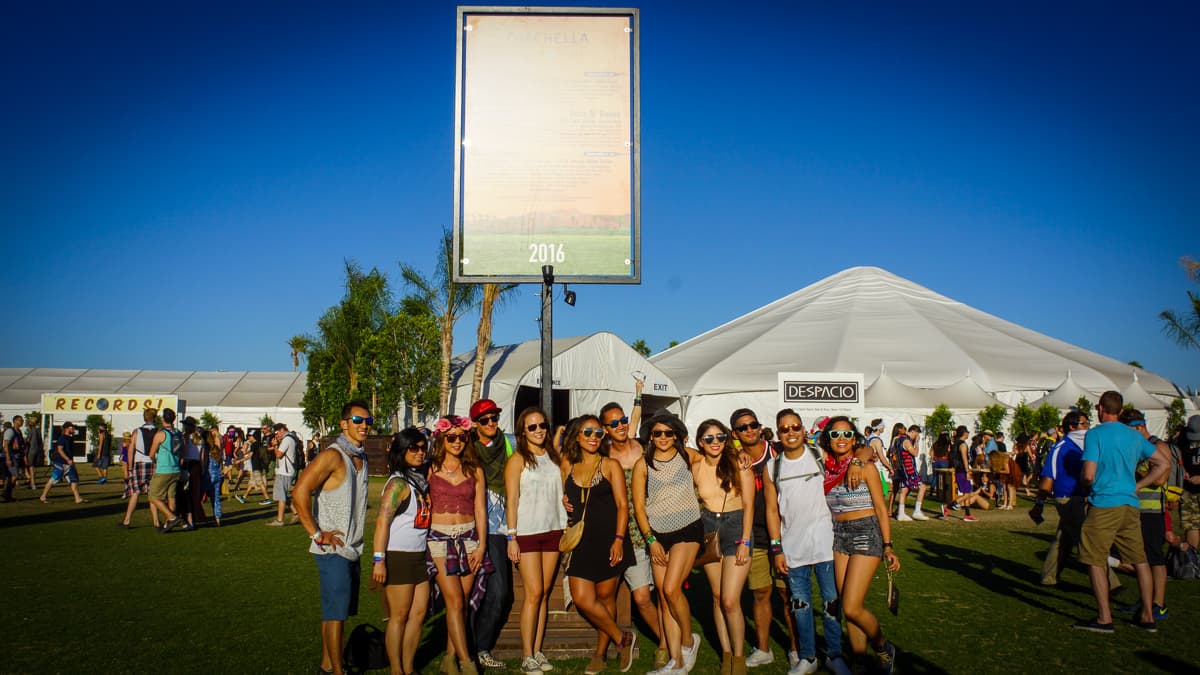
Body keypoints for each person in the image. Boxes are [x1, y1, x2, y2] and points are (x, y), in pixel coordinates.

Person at [1072, 391, 1170, 633]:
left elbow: (1088, 474)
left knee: (1094, 559)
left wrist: (1086, 486)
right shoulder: (1133, 435)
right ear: (1122, 411)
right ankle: (1148, 615)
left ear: (1100, 408)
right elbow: (1164, 463)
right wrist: (1138, 485)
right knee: (1140, 559)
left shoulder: (1095, 434)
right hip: (1129, 504)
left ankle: (1105, 618)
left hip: (1105, 502)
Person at [764, 410, 851, 675]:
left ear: (803, 430)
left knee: (830, 603)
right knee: (800, 605)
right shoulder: (772, 466)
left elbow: (855, 454)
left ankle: (835, 655)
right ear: (778, 434)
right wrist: (776, 548)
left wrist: (859, 462)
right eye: (784, 429)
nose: (790, 432)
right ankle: (808, 657)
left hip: (825, 543)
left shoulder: (819, 455)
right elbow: (771, 510)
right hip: (792, 548)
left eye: (794, 427)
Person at [294, 399, 372, 675]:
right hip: (332, 549)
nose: (364, 426)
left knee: (335, 612)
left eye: (368, 421)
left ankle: (327, 666)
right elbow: (300, 492)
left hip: (351, 546)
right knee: (336, 614)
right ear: (344, 424)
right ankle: (338, 671)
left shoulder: (361, 456)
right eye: (358, 421)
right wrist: (317, 534)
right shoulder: (333, 455)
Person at [820, 417, 898, 674]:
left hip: (866, 532)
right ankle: (859, 660)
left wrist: (888, 546)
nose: (840, 439)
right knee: (848, 605)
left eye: (846, 434)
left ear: (854, 439)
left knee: (852, 606)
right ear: (828, 439)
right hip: (839, 535)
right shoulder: (827, 469)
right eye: (834, 435)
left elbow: (880, 508)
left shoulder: (865, 467)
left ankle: (883, 646)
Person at [600, 389, 669, 670]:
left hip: (648, 531)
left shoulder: (644, 447)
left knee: (652, 595)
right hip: (616, 535)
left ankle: (667, 643)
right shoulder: (601, 453)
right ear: (605, 429)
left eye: (623, 420)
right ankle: (620, 641)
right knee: (619, 596)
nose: (620, 426)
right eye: (613, 423)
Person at [562, 415, 636, 675]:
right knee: (582, 598)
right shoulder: (568, 465)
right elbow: (567, 493)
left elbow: (622, 506)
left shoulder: (611, 465)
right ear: (576, 436)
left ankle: (601, 653)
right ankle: (622, 638)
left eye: (597, 433)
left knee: (606, 598)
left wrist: (618, 540)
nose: (593, 437)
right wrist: (564, 499)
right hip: (581, 541)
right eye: (587, 432)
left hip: (609, 539)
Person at [633, 411, 702, 675]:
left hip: (687, 529)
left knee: (672, 589)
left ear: (677, 435)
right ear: (651, 435)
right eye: (658, 433)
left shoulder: (688, 455)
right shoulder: (643, 463)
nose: (663, 438)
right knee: (663, 597)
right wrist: (650, 539)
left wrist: (738, 451)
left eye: (669, 433)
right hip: (658, 534)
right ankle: (677, 662)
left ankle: (688, 640)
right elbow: (639, 506)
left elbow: (717, 456)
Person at [729, 407, 796, 669]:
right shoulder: (733, 458)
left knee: (787, 594)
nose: (749, 430)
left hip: (785, 532)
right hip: (755, 534)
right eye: (743, 427)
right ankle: (764, 648)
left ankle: (795, 647)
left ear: (760, 427)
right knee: (760, 593)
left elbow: (859, 448)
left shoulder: (779, 450)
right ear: (735, 433)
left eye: (753, 425)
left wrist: (862, 457)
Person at [504, 407, 568, 675]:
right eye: (532, 427)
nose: (539, 430)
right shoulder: (518, 459)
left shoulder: (554, 457)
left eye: (542, 425)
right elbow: (513, 500)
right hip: (527, 534)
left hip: (554, 531)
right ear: (522, 431)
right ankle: (526, 655)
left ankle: (537, 650)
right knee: (532, 595)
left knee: (543, 593)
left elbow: (561, 492)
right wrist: (512, 537)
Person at [1029, 412, 1120, 590]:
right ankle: (1111, 583)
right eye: (1084, 424)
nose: (1087, 427)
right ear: (1072, 427)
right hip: (1067, 498)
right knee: (1087, 540)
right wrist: (1038, 504)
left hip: (1082, 497)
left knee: (1063, 539)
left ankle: (1049, 577)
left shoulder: (1086, 445)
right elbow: (1048, 477)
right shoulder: (1060, 447)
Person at [427, 414, 488, 675]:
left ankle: (449, 659)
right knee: (453, 601)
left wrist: (482, 545)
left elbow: (480, 510)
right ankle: (467, 662)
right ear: (442, 438)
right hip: (439, 539)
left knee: (461, 601)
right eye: (451, 437)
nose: (457, 441)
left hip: (469, 538)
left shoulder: (475, 471)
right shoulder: (430, 469)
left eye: (462, 437)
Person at [692, 419, 753, 675]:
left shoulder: (740, 463)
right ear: (699, 443)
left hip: (737, 526)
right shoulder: (695, 466)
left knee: (730, 600)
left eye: (720, 437)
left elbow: (749, 505)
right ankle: (726, 654)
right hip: (709, 527)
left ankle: (739, 659)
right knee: (716, 597)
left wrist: (746, 541)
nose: (715, 442)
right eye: (709, 438)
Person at [372, 429, 432, 675]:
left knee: (418, 615)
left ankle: (409, 667)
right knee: (398, 617)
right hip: (398, 556)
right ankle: (396, 669)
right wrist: (379, 560)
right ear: (401, 451)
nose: (420, 453)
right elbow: (382, 522)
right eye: (413, 448)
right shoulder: (398, 483)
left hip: (419, 556)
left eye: (422, 448)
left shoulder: (418, 480)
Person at [468, 398, 515, 671]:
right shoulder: (466, 447)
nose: (491, 423)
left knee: (498, 592)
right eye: (485, 420)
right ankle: (465, 650)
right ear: (475, 424)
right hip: (469, 527)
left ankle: (481, 646)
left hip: (499, 526)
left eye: (494, 417)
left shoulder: (509, 443)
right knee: (466, 593)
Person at [1119, 409, 1170, 620]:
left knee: (1155, 557)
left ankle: (1159, 603)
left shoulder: (1159, 446)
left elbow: (1160, 479)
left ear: (1140, 427)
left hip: (1152, 510)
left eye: (1128, 431)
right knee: (1140, 557)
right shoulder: (1137, 448)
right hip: (1134, 508)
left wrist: (1136, 472)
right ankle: (1145, 600)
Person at [119, 408, 159, 528]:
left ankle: (127, 520)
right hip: (153, 463)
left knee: (135, 493)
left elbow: (131, 450)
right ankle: (156, 521)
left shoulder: (137, 432)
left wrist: (130, 468)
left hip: (139, 463)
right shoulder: (158, 432)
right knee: (153, 494)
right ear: (155, 418)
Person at [146, 408, 184, 532]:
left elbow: (151, 453)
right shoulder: (178, 432)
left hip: (164, 469)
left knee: (153, 497)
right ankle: (169, 523)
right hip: (176, 469)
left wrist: (155, 461)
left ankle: (172, 518)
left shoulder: (161, 434)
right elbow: (182, 452)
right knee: (171, 497)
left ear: (163, 419)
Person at [39, 421, 88, 504]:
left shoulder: (70, 438)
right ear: (66, 429)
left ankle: (77, 498)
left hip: (69, 464)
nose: (73, 429)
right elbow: (60, 449)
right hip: (61, 463)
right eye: (71, 427)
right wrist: (67, 459)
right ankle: (43, 496)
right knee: (53, 480)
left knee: (74, 480)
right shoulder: (62, 438)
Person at [892, 425, 928, 520]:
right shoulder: (906, 441)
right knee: (923, 487)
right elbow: (915, 453)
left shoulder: (898, 439)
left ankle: (901, 513)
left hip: (902, 469)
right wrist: (916, 442)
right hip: (909, 469)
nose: (916, 436)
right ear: (912, 432)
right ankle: (917, 511)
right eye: (916, 434)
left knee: (904, 490)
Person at [268, 423, 300, 526]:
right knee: (284, 495)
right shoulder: (292, 438)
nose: (276, 436)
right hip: (289, 470)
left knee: (281, 496)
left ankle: (280, 520)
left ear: (282, 430)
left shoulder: (287, 439)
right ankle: (296, 513)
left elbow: (279, 455)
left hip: (285, 471)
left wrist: (275, 446)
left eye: (277, 433)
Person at [178, 417, 206, 530]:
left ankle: (188, 518)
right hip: (197, 466)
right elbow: (202, 456)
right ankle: (195, 517)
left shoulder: (185, 437)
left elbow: (183, 454)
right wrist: (203, 469)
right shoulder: (200, 439)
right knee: (194, 493)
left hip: (188, 465)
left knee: (185, 493)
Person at [1178, 415, 1200, 550]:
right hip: (1188, 490)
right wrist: (1182, 468)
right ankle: (1192, 562)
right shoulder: (1182, 437)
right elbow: (1176, 452)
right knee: (1191, 524)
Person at [204, 426, 224, 527]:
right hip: (217, 475)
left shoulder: (207, 450)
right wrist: (216, 435)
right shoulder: (217, 451)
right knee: (216, 498)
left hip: (208, 475)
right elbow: (219, 444)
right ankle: (217, 518)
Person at [2, 414, 25, 501]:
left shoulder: (18, 431)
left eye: (22, 420)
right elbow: (6, 445)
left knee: (12, 476)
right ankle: (6, 493)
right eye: (20, 420)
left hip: (16, 455)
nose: (22, 422)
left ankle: (8, 494)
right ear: (15, 421)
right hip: (11, 455)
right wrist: (8, 458)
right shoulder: (10, 431)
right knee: (14, 475)